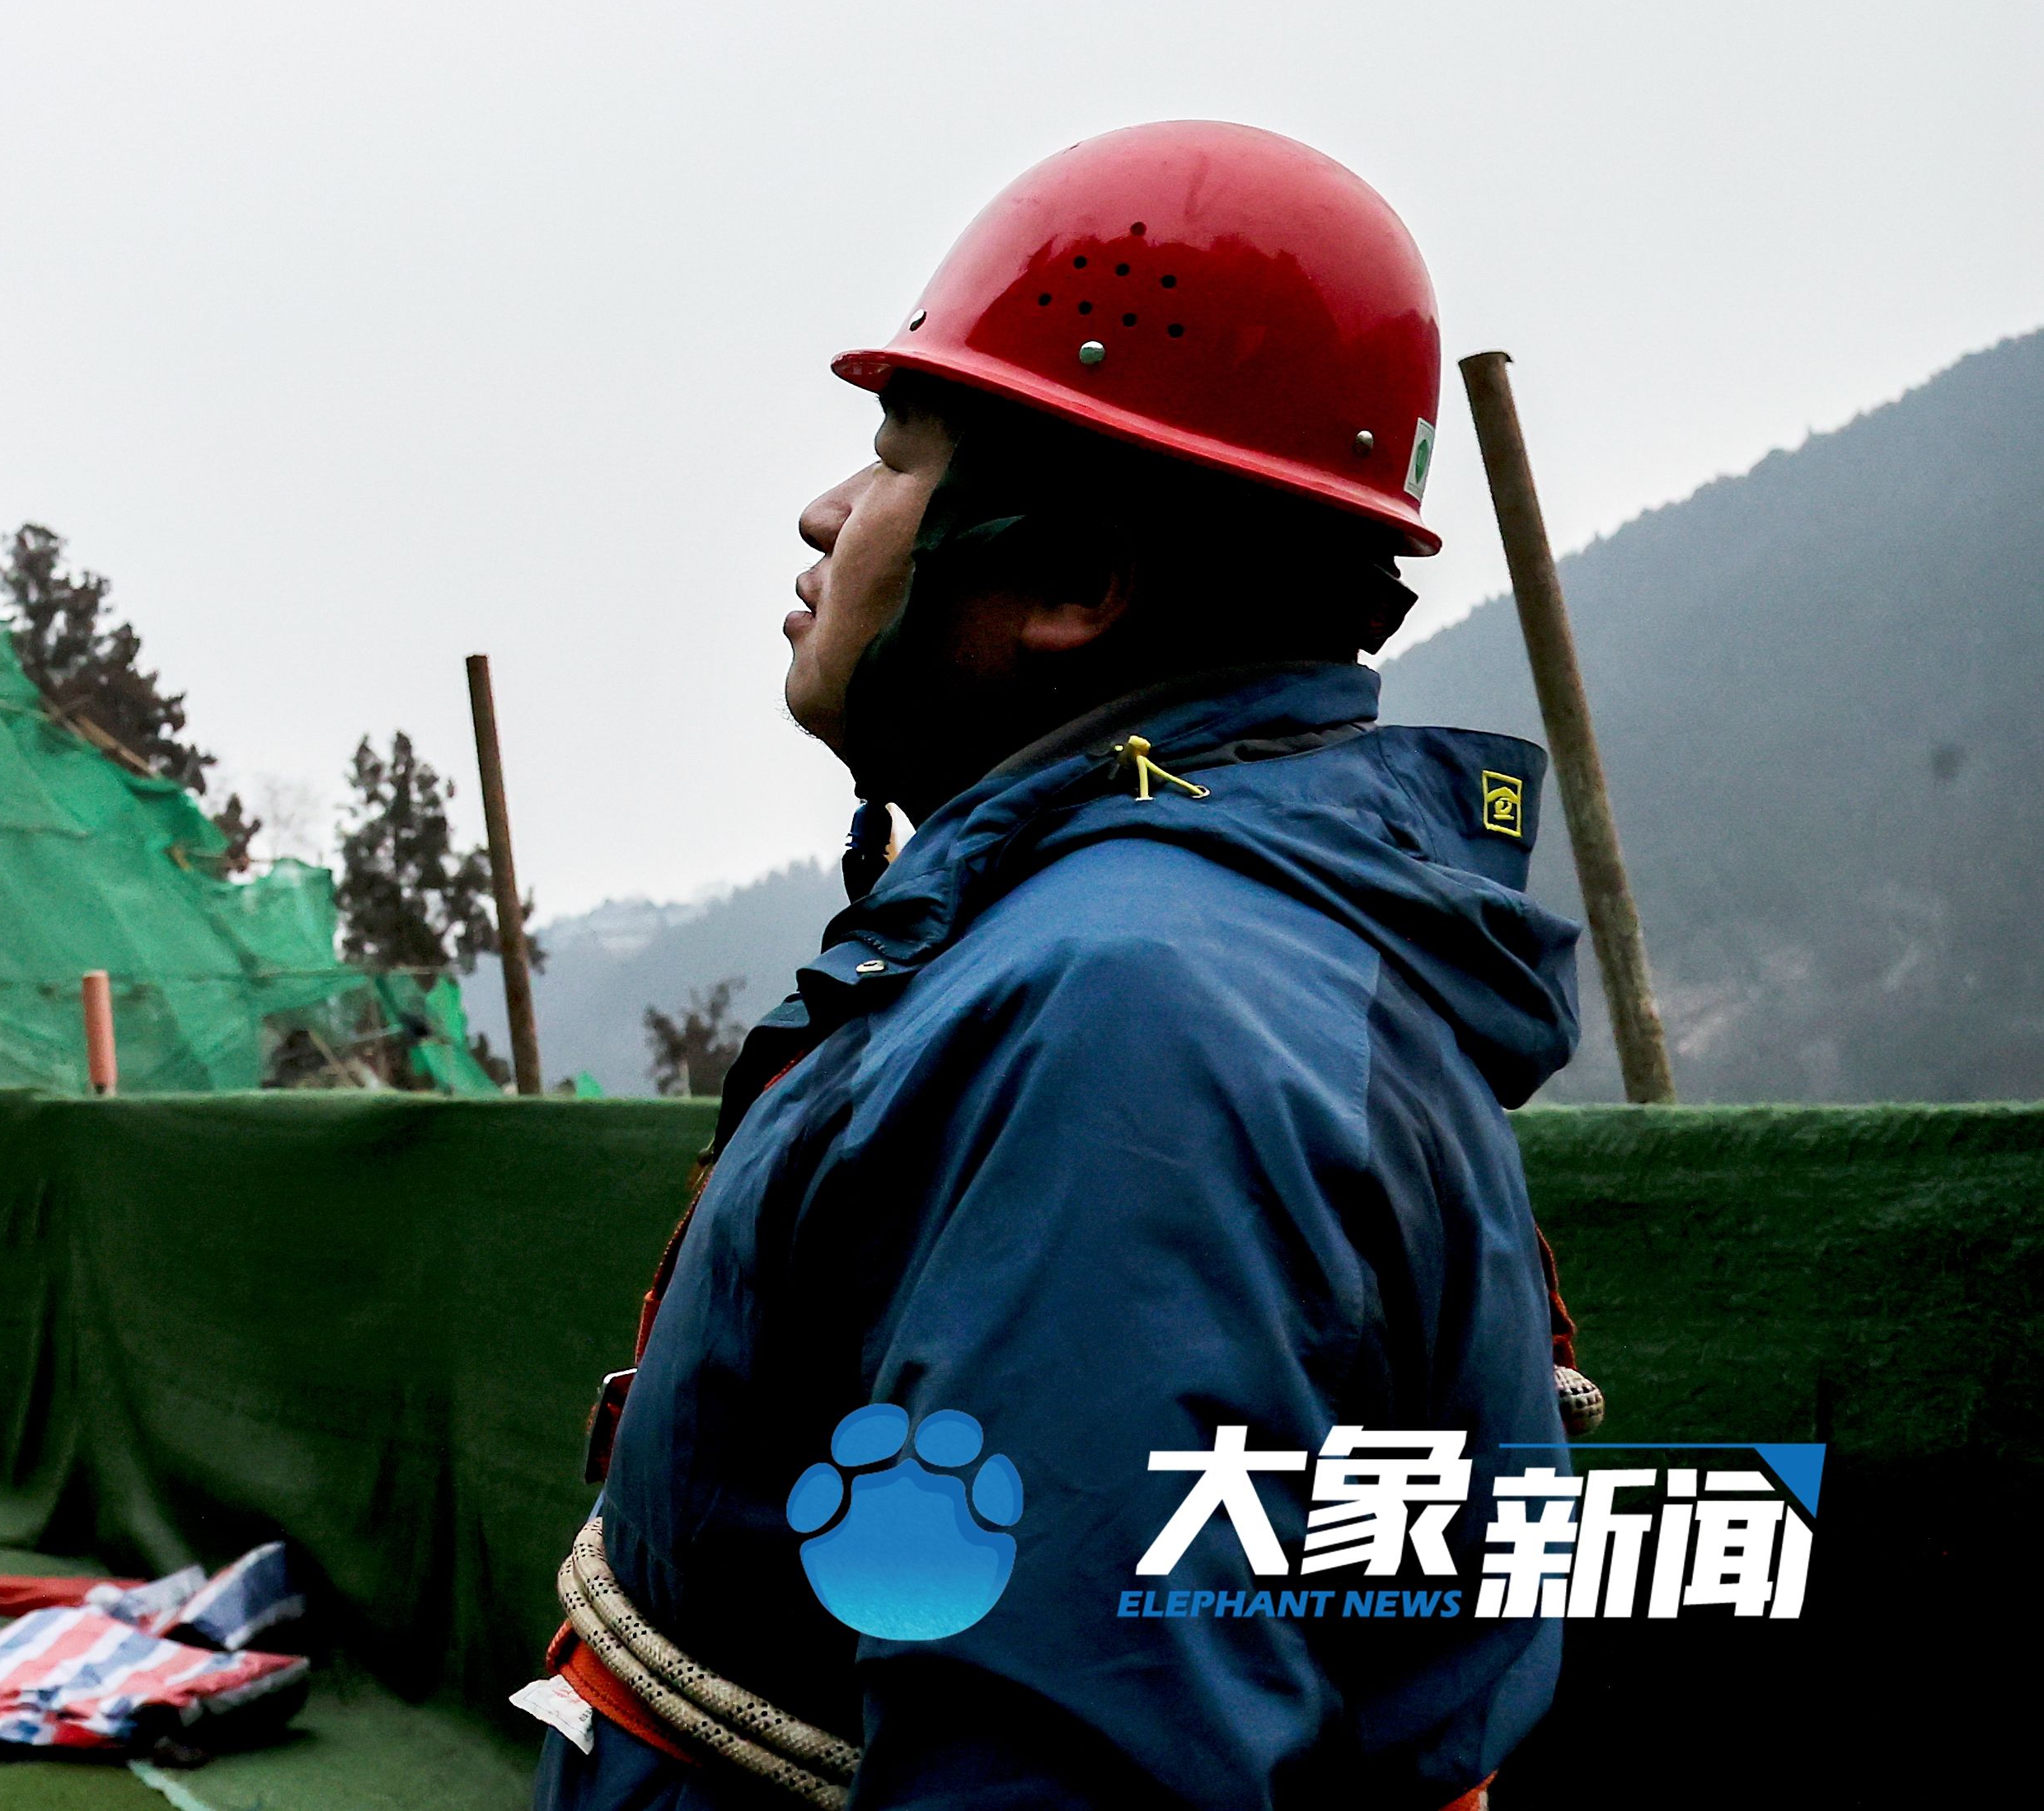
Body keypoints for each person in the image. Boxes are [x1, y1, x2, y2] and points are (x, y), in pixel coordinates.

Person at [530, 121, 1585, 1809]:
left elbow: (1067, 1761)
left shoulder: (1131, 1017)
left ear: (1073, 580)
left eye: (893, 453)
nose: (822, 506)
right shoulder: (1162, 936)